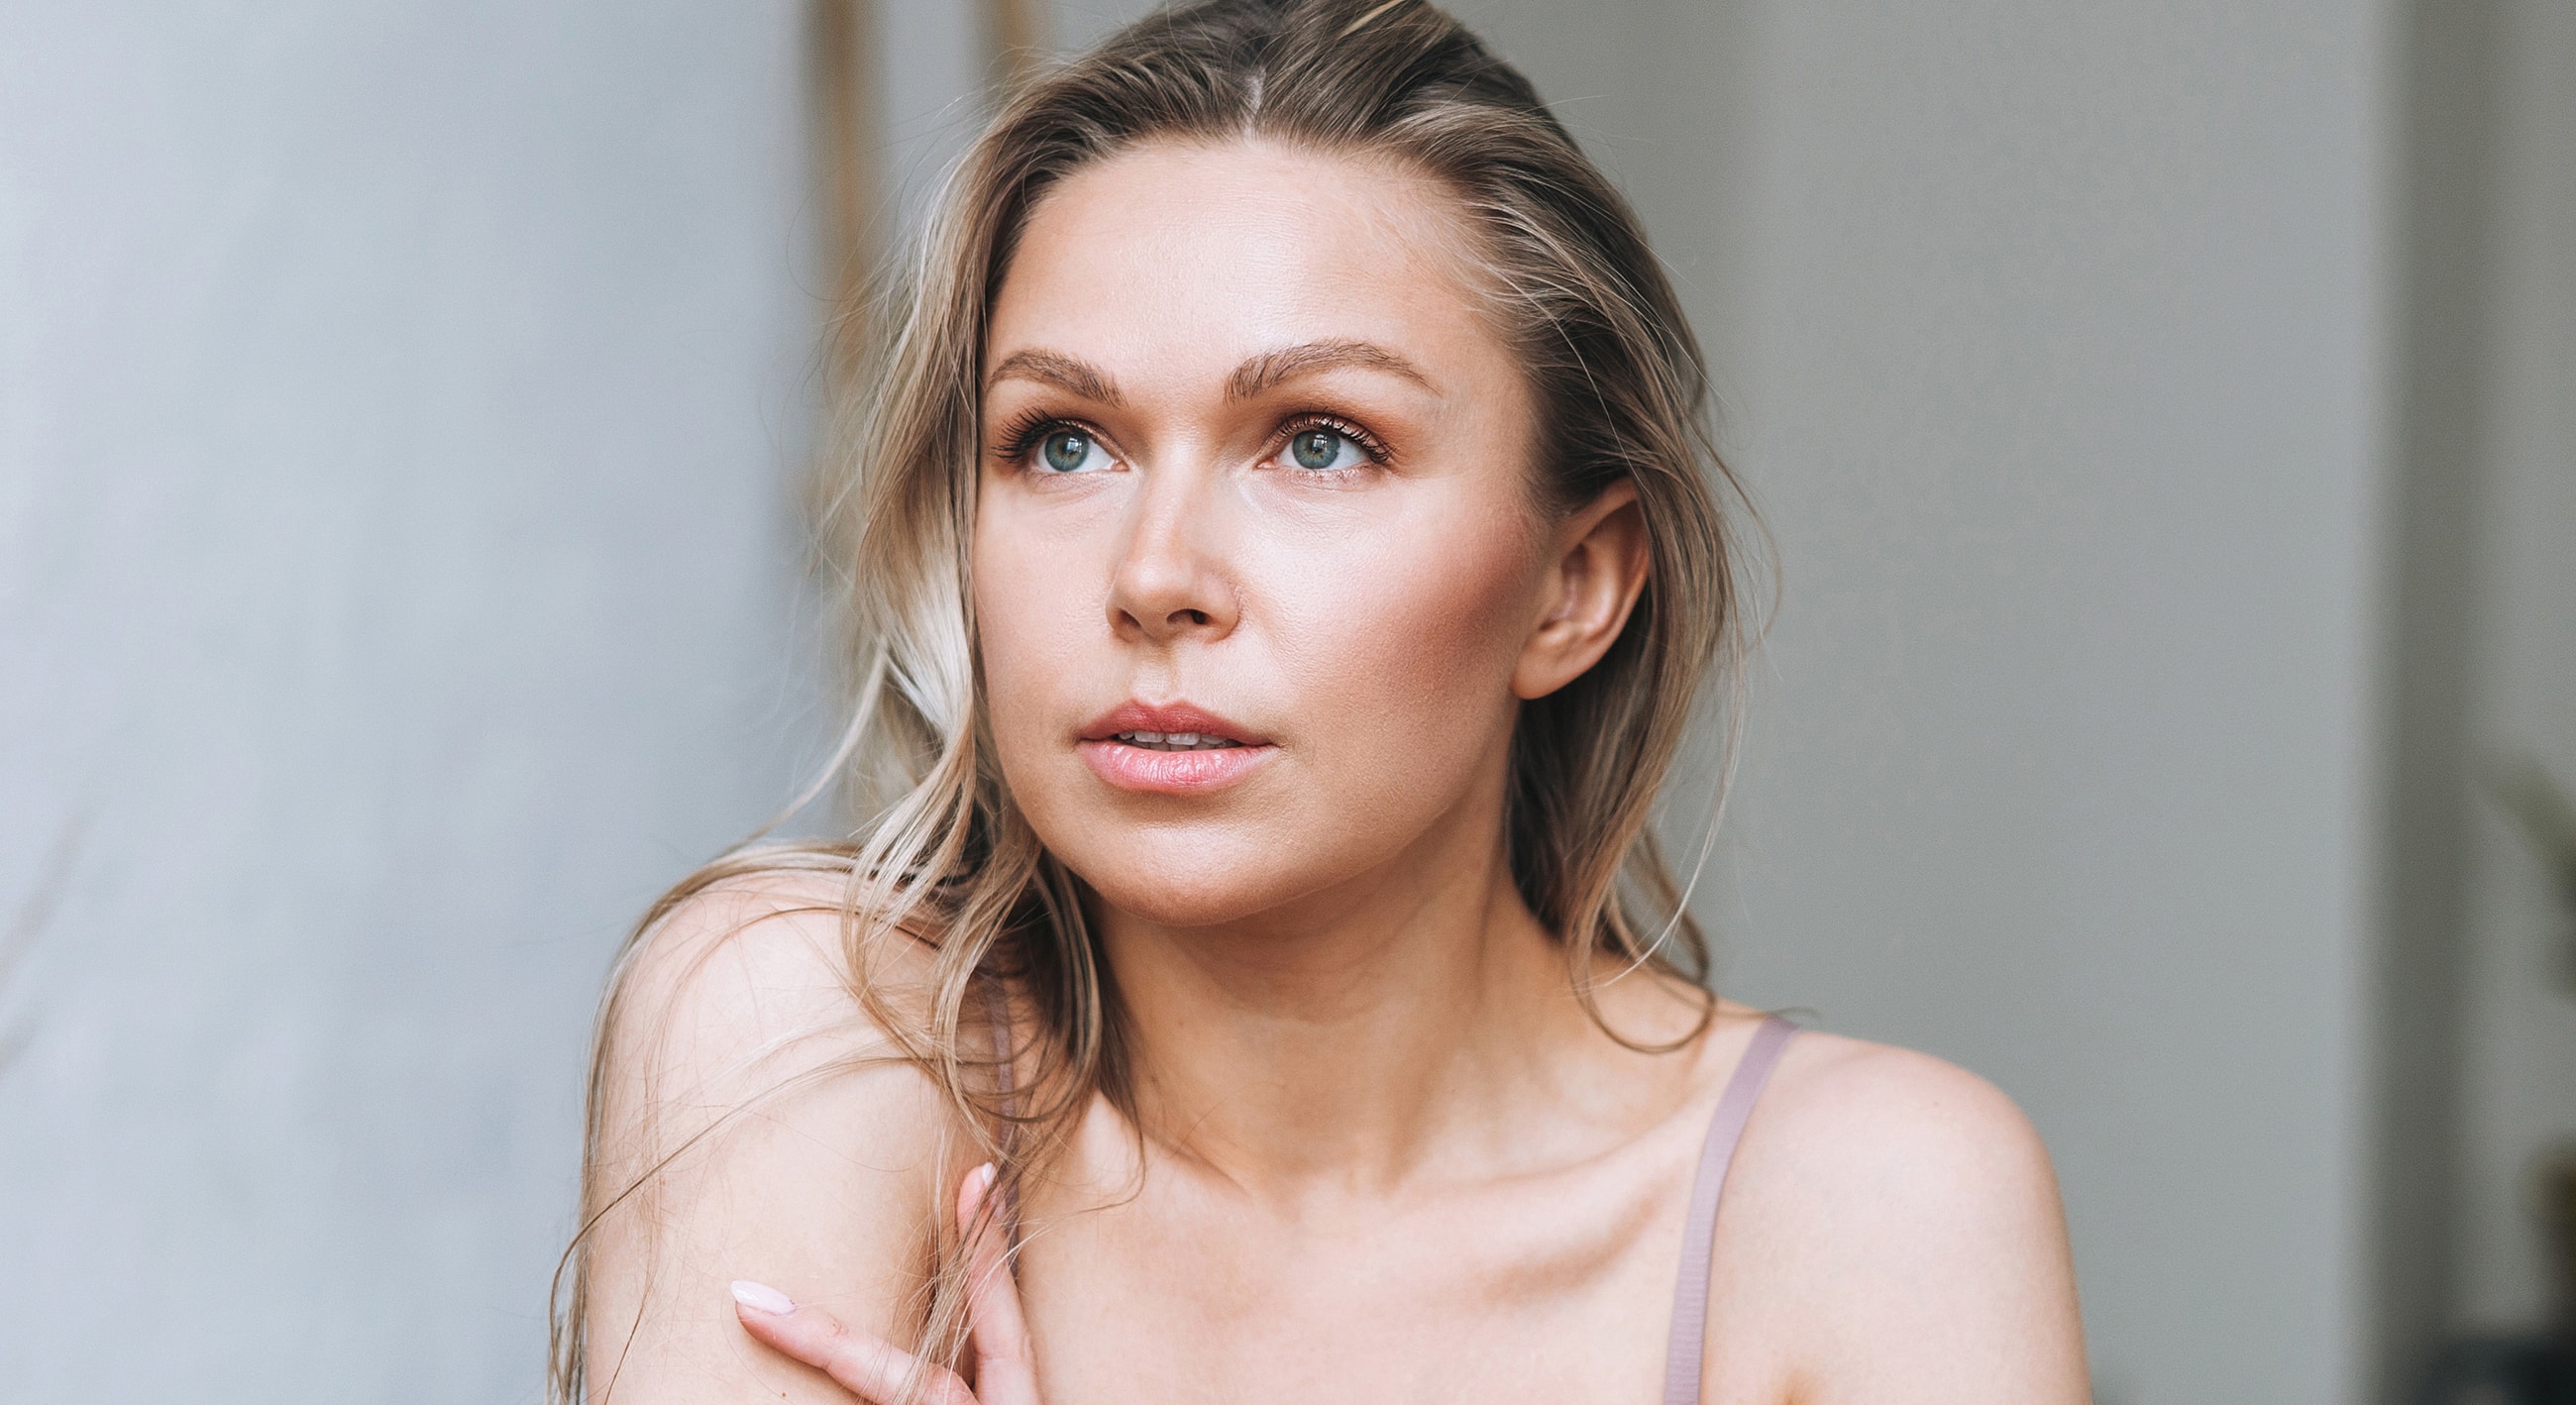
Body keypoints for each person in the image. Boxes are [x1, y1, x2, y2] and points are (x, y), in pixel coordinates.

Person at [553, 1, 2090, 1401]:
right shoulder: (805, 1032)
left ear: (1574, 584)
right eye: (1063, 442)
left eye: (1321, 442)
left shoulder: (1868, 1206)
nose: (1156, 576)